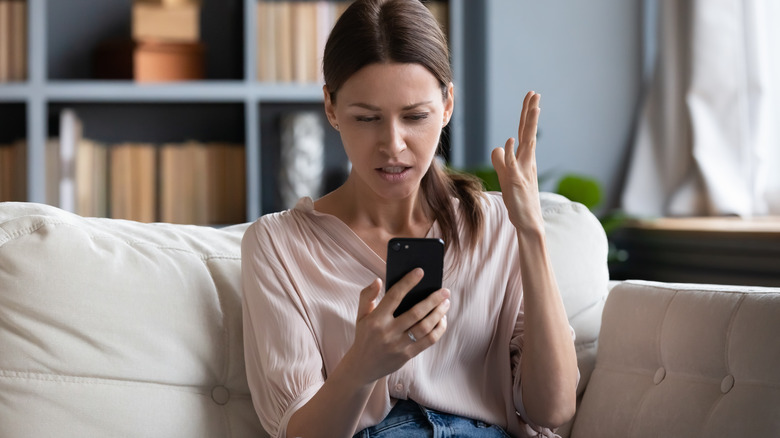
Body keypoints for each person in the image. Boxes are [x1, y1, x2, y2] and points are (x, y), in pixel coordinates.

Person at [241, 0, 579, 437]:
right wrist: (362, 367)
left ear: (446, 106)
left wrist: (531, 232)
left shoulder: (500, 224)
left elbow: (553, 410)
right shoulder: (279, 244)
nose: (393, 145)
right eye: (367, 118)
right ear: (330, 107)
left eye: (416, 116)